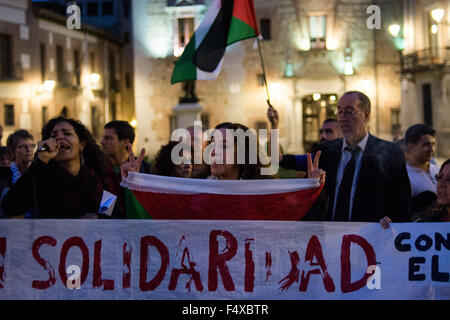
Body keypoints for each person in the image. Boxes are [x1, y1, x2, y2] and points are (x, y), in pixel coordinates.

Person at [271, 91, 411, 225]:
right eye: (339, 111)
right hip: (332, 239)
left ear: (366, 115)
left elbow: (401, 203)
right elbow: (277, 159)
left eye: (350, 111)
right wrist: (313, 185)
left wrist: (392, 222)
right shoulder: (326, 152)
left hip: (370, 241)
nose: (343, 118)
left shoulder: (389, 152)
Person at [1, 117, 107, 219]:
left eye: (67, 134)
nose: (59, 138)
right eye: (54, 135)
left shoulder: (99, 176)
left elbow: (110, 210)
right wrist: (41, 160)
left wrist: (99, 217)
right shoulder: (42, 177)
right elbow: (12, 207)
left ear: (82, 144)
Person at [101, 120, 152, 218]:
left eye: (109, 138)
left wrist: (135, 179)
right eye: (103, 137)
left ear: (126, 142)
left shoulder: (146, 171)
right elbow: (104, 211)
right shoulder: (100, 170)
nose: (102, 142)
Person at [404, 124, 439, 213]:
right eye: (426, 144)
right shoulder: (404, 176)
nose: (432, 149)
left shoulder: (439, 170)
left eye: (433, 144)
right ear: (411, 146)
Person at [0, 130, 35, 218]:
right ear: (12, 151)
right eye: (22, 146)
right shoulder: (3, 175)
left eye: (32, 146)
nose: (28, 150)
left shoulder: (38, 173)